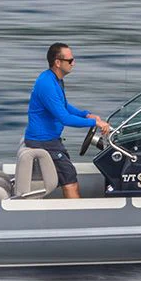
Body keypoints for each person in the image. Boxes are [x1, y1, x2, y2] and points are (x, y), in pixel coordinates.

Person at [24, 42, 111, 199]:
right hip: (44, 142)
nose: (73, 63)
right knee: (70, 180)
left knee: (69, 175)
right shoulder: (47, 84)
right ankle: (77, 213)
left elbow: (63, 106)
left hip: (50, 140)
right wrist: (95, 123)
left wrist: (86, 115)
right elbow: (64, 118)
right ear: (58, 62)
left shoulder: (54, 79)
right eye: (70, 60)